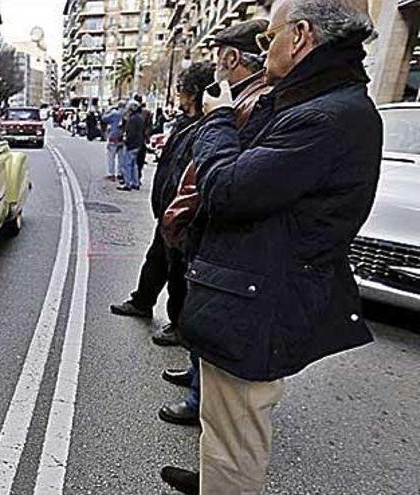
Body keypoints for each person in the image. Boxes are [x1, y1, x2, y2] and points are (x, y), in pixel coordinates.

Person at [161, 1, 380, 493]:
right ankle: (213, 480)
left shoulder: (326, 116)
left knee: (237, 436)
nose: (264, 52)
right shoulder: (310, 101)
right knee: (224, 426)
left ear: (300, 35)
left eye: (268, 39)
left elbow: (229, 189)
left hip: (257, 303)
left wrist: (216, 122)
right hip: (246, 292)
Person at [156, 20, 271, 432]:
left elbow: (223, 179)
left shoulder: (248, 104)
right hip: (202, 233)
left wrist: (218, 117)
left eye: (218, 55)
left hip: (217, 237)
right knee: (198, 314)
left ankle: (199, 400)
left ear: (231, 58)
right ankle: (195, 379)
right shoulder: (236, 99)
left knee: (209, 319)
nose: (214, 65)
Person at [109, 62, 214, 346]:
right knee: (156, 260)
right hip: (169, 212)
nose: (178, 95)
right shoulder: (184, 124)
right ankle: (142, 301)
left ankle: (180, 325)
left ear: (192, 93)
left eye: (181, 90)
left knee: (179, 271)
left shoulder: (206, 128)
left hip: (184, 217)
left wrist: (180, 213)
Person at [117, 100, 145, 191]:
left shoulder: (132, 119)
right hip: (138, 144)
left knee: (127, 164)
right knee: (134, 164)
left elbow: (131, 133)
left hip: (131, 144)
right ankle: (135, 182)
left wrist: (126, 141)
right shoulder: (140, 118)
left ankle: (127, 183)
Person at [100, 102, 126, 181]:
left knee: (111, 157)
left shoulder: (115, 114)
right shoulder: (126, 114)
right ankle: (120, 173)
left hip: (114, 137)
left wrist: (109, 110)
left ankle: (111, 174)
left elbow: (104, 118)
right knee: (121, 157)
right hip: (122, 138)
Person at [134, 94, 153, 182]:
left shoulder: (145, 112)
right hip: (141, 138)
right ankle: (136, 177)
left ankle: (136, 177)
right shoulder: (145, 112)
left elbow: (149, 126)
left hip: (139, 138)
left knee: (137, 159)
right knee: (138, 159)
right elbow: (149, 126)